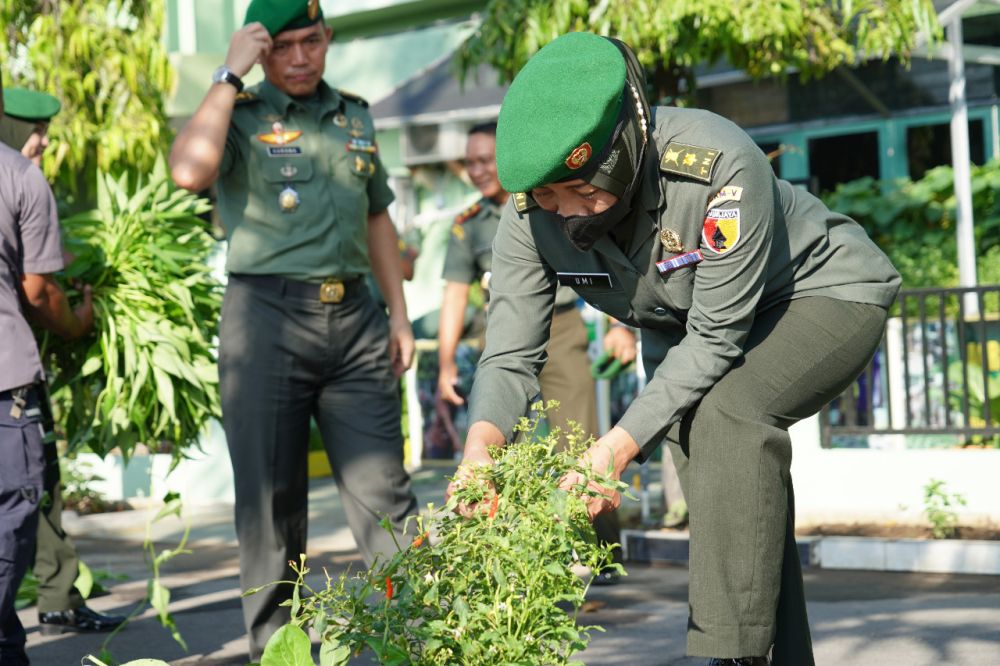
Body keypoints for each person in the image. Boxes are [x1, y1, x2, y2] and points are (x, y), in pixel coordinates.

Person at [449, 32, 900, 665]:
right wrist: (479, 452)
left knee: (726, 417)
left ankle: (729, 656)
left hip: (818, 294)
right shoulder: (529, 213)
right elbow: (509, 355)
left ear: (625, 145)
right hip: (689, 329)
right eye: (550, 198)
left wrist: (612, 451)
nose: (569, 214)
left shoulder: (717, 164)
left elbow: (717, 337)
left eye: (583, 190)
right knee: (731, 494)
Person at [168, 0, 418, 657]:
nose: (301, 57)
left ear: (328, 38)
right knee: (271, 509)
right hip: (266, 323)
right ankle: (278, 653)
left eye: (312, 41)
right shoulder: (239, 115)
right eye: (283, 46)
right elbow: (188, 171)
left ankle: (424, 640)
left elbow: (378, 218)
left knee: (386, 500)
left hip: (358, 323)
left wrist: (398, 315)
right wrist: (227, 74)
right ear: (259, 49)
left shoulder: (353, 114)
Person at [437, 121, 632, 583]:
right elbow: (453, 294)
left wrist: (619, 326)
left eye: (487, 159)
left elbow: (612, 263)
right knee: (501, 447)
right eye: (471, 162)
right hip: (503, 340)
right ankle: (515, 560)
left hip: (562, 328)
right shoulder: (468, 225)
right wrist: (445, 361)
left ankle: (603, 557)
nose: (480, 170)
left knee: (579, 441)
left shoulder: (563, 196)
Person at [0, 86, 126, 638]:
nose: (45, 141)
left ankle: (57, 593)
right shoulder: (20, 180)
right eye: (36, 130)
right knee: (20, 498)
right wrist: (77, 322)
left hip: (20, 369)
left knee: (38, 483)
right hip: (11, 377)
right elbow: (38, 290)